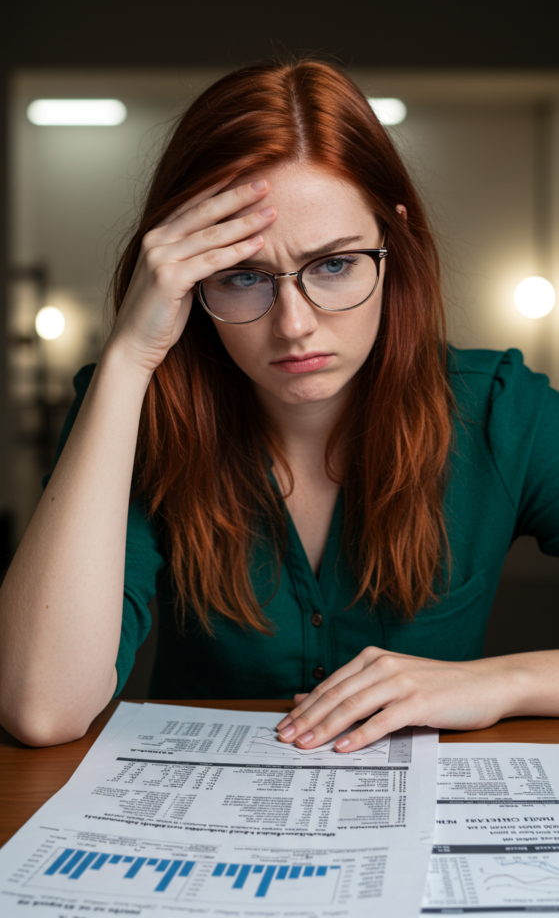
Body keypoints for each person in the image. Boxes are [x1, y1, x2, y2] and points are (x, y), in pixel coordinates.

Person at [0, 60, 558, 750]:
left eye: (333, 264)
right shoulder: (133, 415)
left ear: (395, 245)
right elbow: (41, 707)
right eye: (241, 276)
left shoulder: (503, 409)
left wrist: (508, 681)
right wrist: (127, 359)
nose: (293, 323)